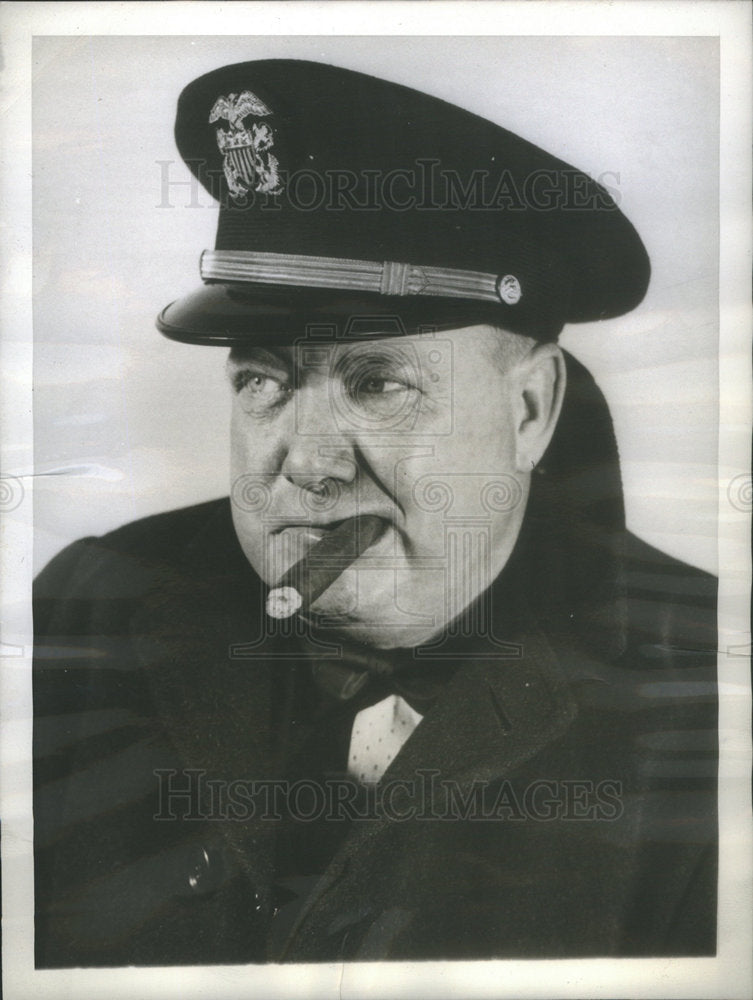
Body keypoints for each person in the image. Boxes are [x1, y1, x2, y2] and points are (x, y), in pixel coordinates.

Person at [33, 59, 717, 966]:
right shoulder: (91, 606)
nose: (306, 465)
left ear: (529, 411)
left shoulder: (706, 690)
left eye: (377, 383)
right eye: (263, 382)